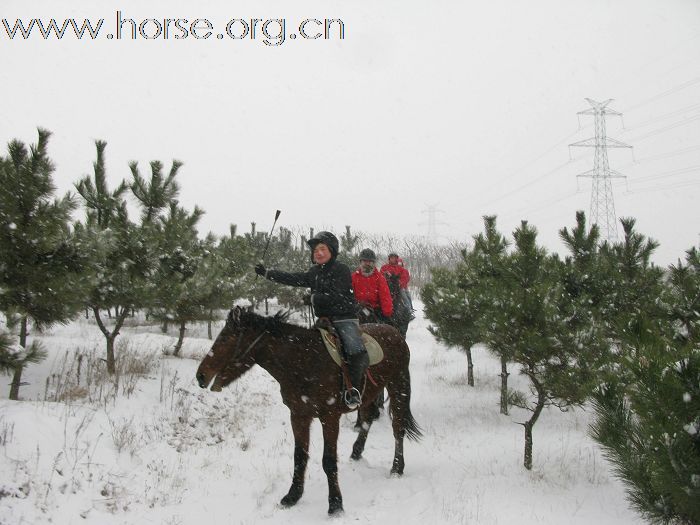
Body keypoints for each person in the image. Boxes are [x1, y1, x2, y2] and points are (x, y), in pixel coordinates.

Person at [254, 231, 368, 410]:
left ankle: (353, 390)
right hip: (324, 321)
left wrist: (315, 298)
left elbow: (338, 296)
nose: (318, 252)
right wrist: (267, 273)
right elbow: (292, 278)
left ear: (332, 251)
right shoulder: (314, 272)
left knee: (356, 350)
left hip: (344, 319)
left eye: (322, 249)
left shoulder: (342, 270)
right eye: (315, 250)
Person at [352, 248, 393, 324]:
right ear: (360, 262)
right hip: (357, 309)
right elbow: (350, 295)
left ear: (373, 263)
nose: (367, 263)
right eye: (365, 261)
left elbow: (385, 296)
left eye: (370, 262)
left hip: (375, 311)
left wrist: (387, 313)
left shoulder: (380, 278)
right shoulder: (354, 277)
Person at [380, 252, 414, 317]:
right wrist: (386, 280)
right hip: (386, 287)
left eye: (394, 258)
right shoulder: (384, 267)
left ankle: (409, 311)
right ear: (389, 259)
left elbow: (405, 278)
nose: (393, 259)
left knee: (404, 297)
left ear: (396, 259)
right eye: (392, 258)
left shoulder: (400, 269)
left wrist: (399, 283)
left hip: (398, 287)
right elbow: (380, 276)